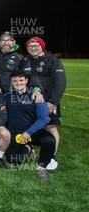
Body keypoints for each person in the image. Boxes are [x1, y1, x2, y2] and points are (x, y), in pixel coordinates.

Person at [23, 37, 66, 170]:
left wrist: (53, 102)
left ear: (42, 46)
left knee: (50, 126)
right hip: (30, 101)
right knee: (28, 124)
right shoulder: (26, 61)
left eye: (36, 46)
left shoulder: (52, 61)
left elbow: (60, 83)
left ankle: (51, 156)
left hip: (48, 101)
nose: (33, 48)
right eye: (30, 46)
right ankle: (30, 150)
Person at [4, 70, 55, 181]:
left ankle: (42, 167)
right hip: (15, 132)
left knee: (49, 140)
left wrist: (28, 133)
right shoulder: (6, 97)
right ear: (11, 82)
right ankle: (27, 148)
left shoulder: (37, 97)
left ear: (26, 81)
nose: (18, 83)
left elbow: (43, 118)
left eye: (21, 80)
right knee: (12, 160)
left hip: (32, 131)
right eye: (15, 81)